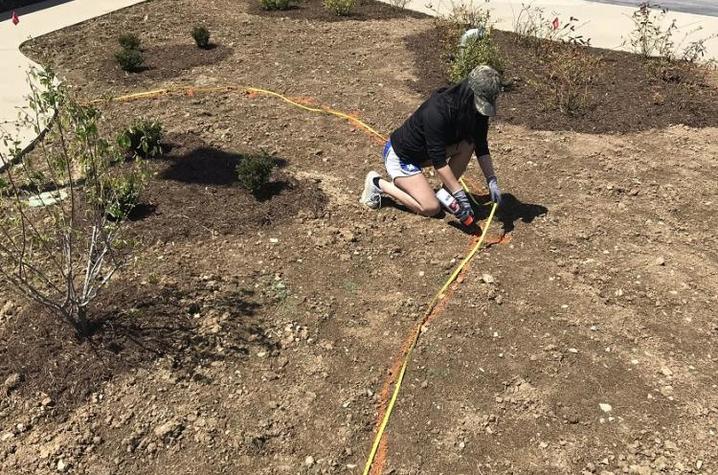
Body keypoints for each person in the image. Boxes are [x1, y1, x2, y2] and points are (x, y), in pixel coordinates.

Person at [360, 65, 503, 224]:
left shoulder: (476, 111)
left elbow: (480, 144)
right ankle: (377, 183)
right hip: (402, 156)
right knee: (431, 208)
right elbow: (439, 161)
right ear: (469, 91)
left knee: (469, 144)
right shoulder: (438, 110)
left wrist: (491, 180)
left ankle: (447, 194)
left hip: (425, 154)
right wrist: (460, 194)